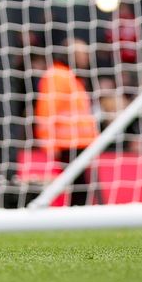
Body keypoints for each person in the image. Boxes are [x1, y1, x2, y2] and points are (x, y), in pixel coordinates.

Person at [35, 37, 100, 206]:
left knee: (80, 186)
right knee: (79, 186)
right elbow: (46, 111)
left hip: (79, 142)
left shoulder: (69, 76)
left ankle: (78, 218)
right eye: (82, 54)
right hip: (68, 143)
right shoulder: (57, 75)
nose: (86, 58)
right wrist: (49, 143)